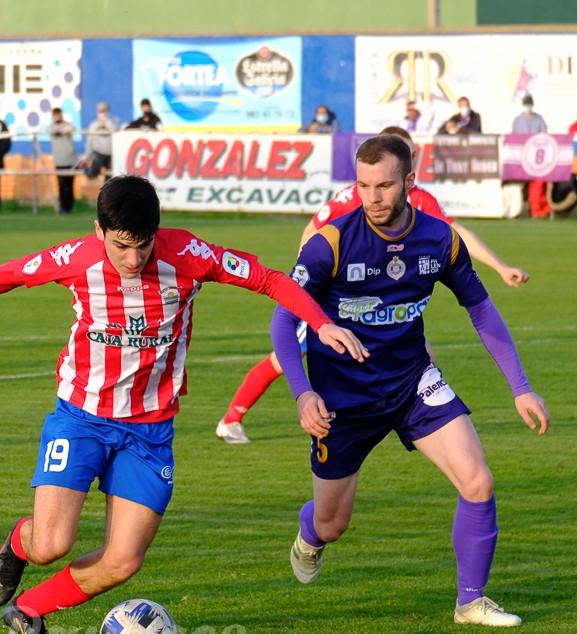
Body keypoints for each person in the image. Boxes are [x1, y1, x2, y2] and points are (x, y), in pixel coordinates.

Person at [0, 175, 366, 634]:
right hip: (81, 417)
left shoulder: (189, 255)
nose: (134, 260)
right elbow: (13, 273)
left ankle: (29, 610)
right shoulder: (77, 259)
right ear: (99, 231)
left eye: (144, 245)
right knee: (51, 544)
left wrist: (320, 324)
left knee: (123, 561)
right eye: (121, 247)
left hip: (151, 430)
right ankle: (18, 545)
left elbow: (271, 279)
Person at [272, 134, 549, 627]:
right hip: (343, 401)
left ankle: (471, 601)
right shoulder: (329, 244)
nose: (372, 197)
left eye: (384, 186)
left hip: (412, 383)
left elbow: (481, 310)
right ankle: (309, 532)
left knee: (478, 480)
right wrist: (302, 392)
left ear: (409, 183)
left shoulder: (440, 239)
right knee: (332, 524)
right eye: (363, 185)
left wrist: (520, 386)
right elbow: (282, 320)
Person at [216, 125, 530, 445]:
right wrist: (306, 278)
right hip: (333, 305)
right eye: (369, 183)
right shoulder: (352, 197)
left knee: (423, 357)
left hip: (385, 306)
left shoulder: (422, 200)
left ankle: (409, 413)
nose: (375, 194)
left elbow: (455, 234)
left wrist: (499, 267)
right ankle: (232, 418)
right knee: (285, 357)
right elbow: (314, 230)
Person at [511, 95, 549, 218]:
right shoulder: (517, 120)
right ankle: (519, 210)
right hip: (521, 158)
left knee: (536, 185)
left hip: (535, 158)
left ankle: (536, 210)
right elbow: (514, 139)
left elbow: (544, 138)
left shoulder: (539, 120)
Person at [45, 107, 77, 214]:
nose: (57, 116)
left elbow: (72, 128)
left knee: (70, 184)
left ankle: (69, 207)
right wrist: (61, 130)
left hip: (71, 160)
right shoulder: (51, 126)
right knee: (61, 185)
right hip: (59, 161)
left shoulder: (68, 125)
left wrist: (62, 130)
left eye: (58, 114)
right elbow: (51, 130)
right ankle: (63, 207)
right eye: (55, 115)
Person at [78, 101, 118, 180]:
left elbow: (115, 131)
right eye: (100, 111)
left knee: (111, 178)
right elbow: (89, 141)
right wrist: (88, 156)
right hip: (99, 153)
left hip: (111, 154)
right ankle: (82, 167)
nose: (102, 113)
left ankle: (107, 191)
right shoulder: (93, 125)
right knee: (91, 173)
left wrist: (106, 122)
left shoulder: (113, 122)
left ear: (108, 111)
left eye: (104, 111)